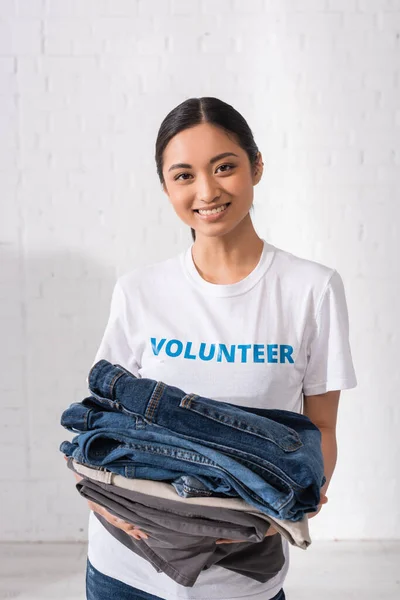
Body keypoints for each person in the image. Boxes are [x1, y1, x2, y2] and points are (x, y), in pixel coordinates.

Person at [72, 96, 357, 600]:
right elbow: (99, 419)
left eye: (224, 167)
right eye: (183, 176)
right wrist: (101, 495)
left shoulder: (310, 289)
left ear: (257, 167)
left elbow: (323, 427)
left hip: (242, 576)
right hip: (125, 568)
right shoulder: (139, 291)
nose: (207, 190)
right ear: (165, 187)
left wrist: (286, 511)